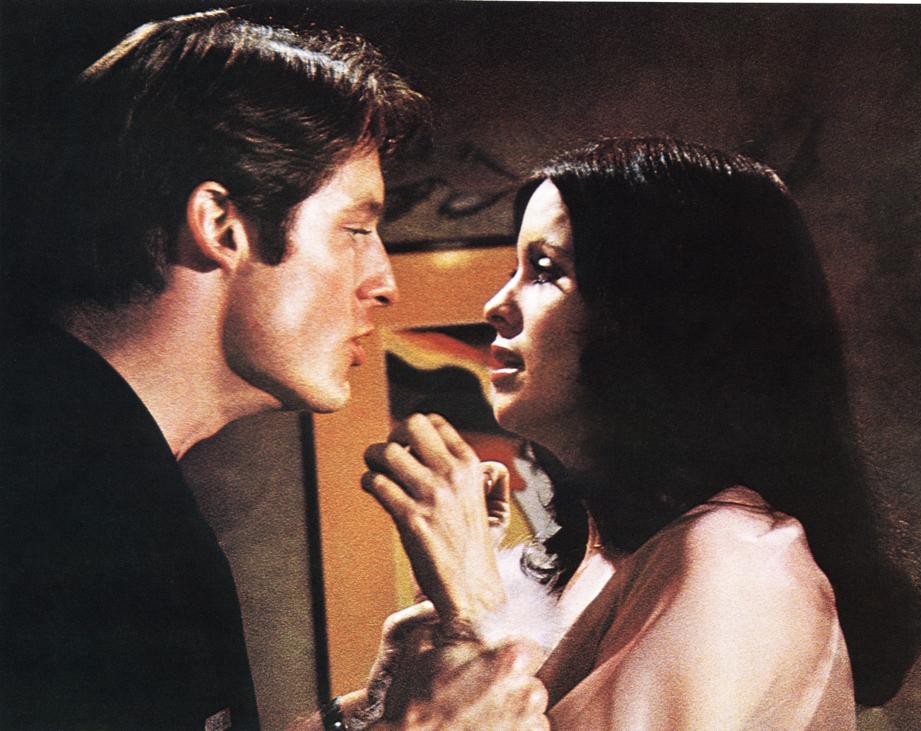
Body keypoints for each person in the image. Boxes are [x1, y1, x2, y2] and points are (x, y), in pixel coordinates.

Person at [0, 9, 547, 731]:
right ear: (221, 225)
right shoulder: (54, 505)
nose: (383, 282)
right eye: (355, 229)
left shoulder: (105, 474)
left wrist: (362, 719)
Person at [362, 137, 921, 729]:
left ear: (655, 312)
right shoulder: (606, 558)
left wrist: (472, 606)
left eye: (545, 271)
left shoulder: (735, 557)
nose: (495, 305)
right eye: (515, 270)